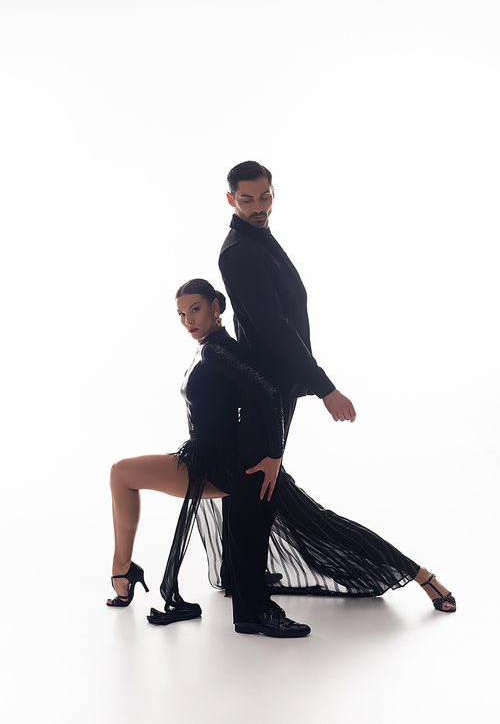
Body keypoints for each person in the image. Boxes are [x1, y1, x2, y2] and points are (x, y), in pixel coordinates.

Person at [107, 279, 455, 637]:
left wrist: (274, 456)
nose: (187, 321)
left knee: (324, 525)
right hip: (209, 456)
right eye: (181, 314)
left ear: (216, 306)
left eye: (195, 309)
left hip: (221, 465)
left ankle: (423, 576)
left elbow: (271, 395)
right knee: (319, 522)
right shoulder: (210, 347)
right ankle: (124, 572)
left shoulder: (218, 349)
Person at [213, 160, 456, 632]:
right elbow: (272, 326)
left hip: (273, 386)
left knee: (260, 493)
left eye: (266, 197)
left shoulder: (258, 238)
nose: (259, 207)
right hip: (265, 390)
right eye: (248, 200)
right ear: (231, 200)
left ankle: (243, 581)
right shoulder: (239, 251)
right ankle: (254, 607)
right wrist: (324, 386)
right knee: (264, 495)